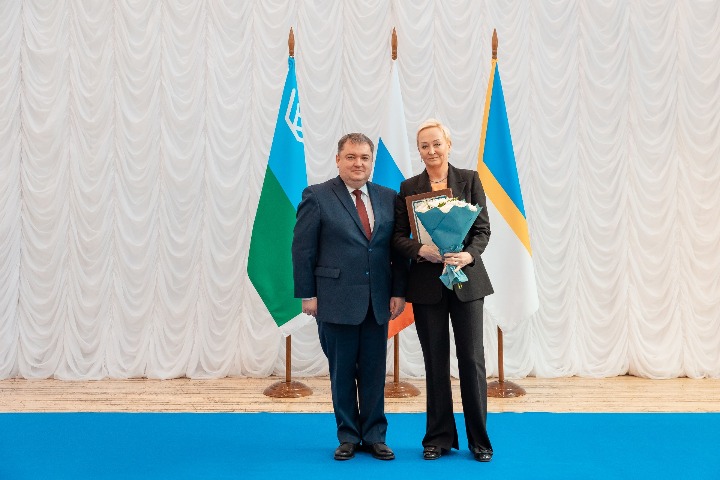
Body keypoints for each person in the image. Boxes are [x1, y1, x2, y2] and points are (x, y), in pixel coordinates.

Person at [292, 132, 407, 461]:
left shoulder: (388, 197)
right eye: (351, 157)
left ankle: (374, 436)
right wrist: (308, 294)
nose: (358, 163)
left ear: (372, 162)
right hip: (334, 299)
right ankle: (348, 436)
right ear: (338, 159)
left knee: (373, 372)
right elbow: (303, 249)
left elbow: (397, 250)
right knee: (342, 373)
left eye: (365, 158)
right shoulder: (317, 196)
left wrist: (399, 291)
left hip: (377, 301)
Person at [392, 119, 494, 462]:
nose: (431, 150)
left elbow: (482, 229)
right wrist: (421, 250)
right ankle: (437, 438)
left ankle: (479, 440)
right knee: (435, 361)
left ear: (448, 144)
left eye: (437, 143)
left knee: (472, 360)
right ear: (418, 151)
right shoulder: (409, 187)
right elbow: (398, 237)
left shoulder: (470, 179)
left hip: (466, 281)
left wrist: (469, 255)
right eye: (424, 146)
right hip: (427, 286)